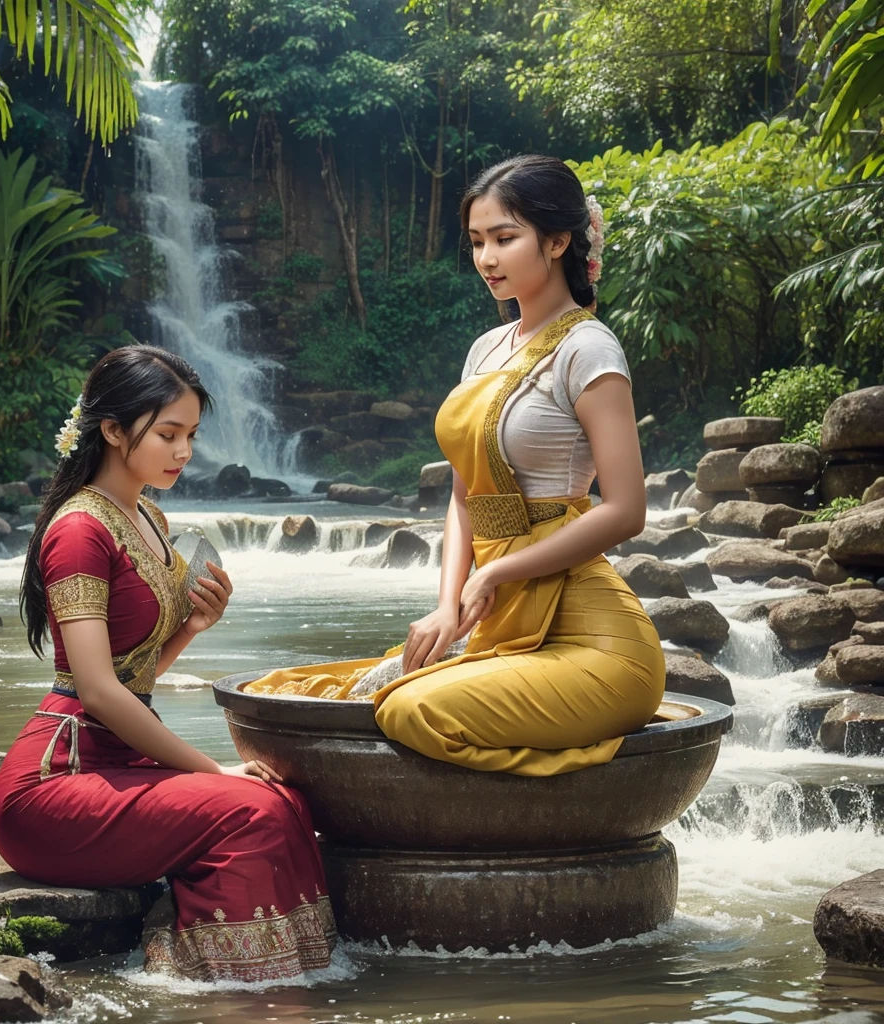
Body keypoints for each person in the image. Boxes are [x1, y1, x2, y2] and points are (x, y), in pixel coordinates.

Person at [246, 155, 665, 777]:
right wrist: (448, 603)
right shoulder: (487, 348)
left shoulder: (588, 348)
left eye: (505, 238)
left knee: (410, 710)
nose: (486, 258)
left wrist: (498, 573)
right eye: (476, 242)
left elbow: (627, 510)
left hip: (592, 638)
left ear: (557, 241)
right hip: (501, 620)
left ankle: (556, 807)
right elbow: (466, 493)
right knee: (309, 689)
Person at [0, 345, 336, 983]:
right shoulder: (79, 531)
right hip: (55, 781)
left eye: (191, 435)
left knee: (284, 800)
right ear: (115, 430)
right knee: (248, 806)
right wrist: (213, 770)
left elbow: (132, 674)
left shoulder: (146, 513)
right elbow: (96, 690)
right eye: (169, 434)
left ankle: (296, 976)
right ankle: (231, 986)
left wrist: (192, 627)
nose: (184, 451)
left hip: (118, 760)